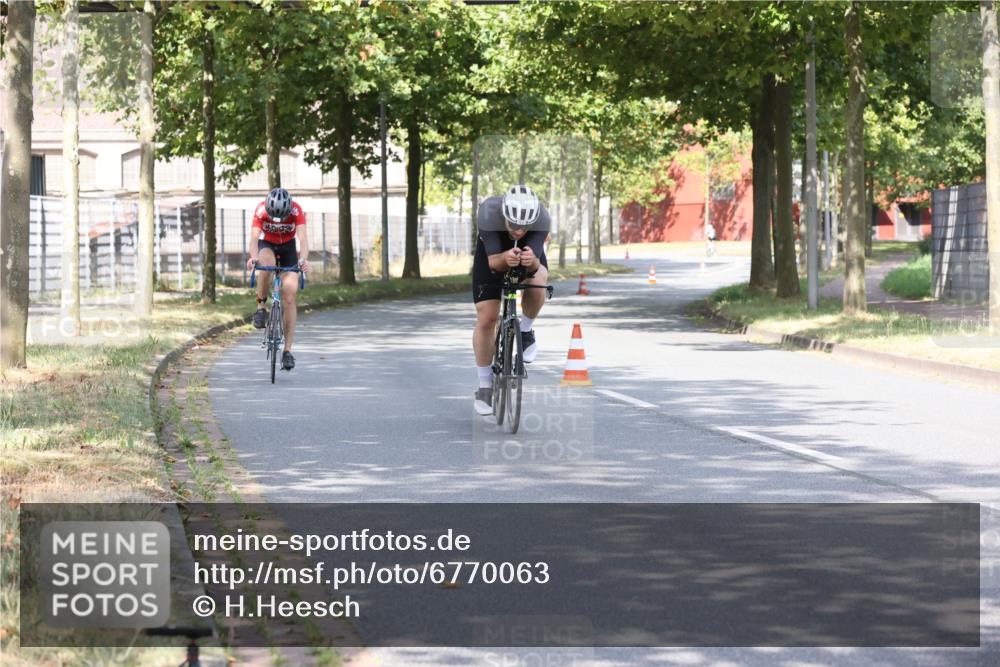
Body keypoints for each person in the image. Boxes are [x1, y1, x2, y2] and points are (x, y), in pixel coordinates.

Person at [472, 185, 551, 415]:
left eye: (524, 227)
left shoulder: (542, 217)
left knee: (538, 283)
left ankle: (525, 331)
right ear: (504, 216)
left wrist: (531, 261)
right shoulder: (488, 212)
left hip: (526, 257)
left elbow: (536, 264)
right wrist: (506, 258)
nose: (518, 231)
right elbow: (495, 263)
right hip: (493, 254)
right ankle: (485, 387)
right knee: (487, 317)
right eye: (513, 225)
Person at [245, 187, 309, 371]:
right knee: (266, 264)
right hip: (267, 245)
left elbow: (303, 239)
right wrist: (253, 257)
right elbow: (254, 239)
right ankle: (261, 307)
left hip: (288, 248)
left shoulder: (296, 210)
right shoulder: (260, 210)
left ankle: (287, 351)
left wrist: (303, 260)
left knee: (289, 294)